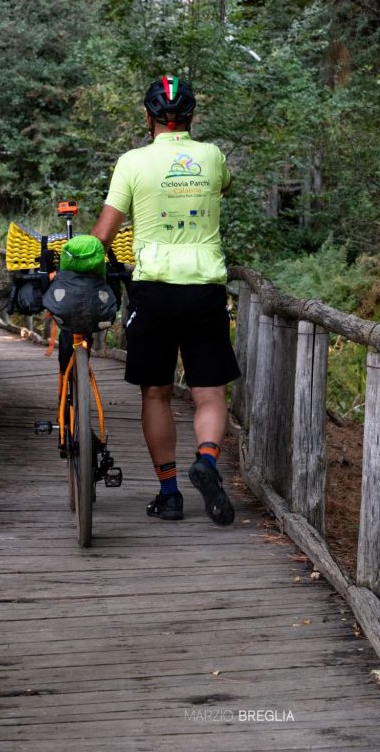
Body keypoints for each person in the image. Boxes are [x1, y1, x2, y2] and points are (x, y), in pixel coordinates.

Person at [91, 74, 240, 525]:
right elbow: (224, 186)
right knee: (209, 392)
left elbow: (104, 234)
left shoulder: (132, 163)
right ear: (192, 116)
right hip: (205, 288)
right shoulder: (211, 157)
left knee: (155, 393)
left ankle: (170, 494)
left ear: (147, 117)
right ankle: (207, 460)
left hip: (153, 289)